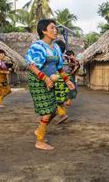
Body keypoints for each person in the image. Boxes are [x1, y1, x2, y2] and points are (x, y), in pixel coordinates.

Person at [25, 19, 75, 150]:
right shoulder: (37, 46)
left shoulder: (56, 48)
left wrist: (67, 80)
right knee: (47, 110)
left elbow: (59, 67)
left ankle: (39, 130)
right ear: (44, 31)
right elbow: (32, 65)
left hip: (51, 80)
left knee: (53, 109)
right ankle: (39, 141)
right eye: (52, 28)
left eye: (55, 28)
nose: (55, 30)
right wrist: (45, 78)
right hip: (38, 80)